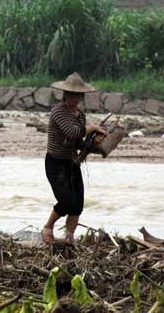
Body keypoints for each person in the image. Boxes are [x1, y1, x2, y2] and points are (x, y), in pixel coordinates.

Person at [42, 72, 107, 244]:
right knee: (67, 201)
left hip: (72, 162)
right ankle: (48, 227)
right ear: (65, 94)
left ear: (82, 96)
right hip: (56, 164)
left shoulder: (80, 115)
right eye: (72, 94)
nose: (75, 98)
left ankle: (69, 238)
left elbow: (77, 142)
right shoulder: (58, 112)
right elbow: (72, 132)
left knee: (77, 205)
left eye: (78, 95)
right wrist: (92, 127)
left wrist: (94, 145)